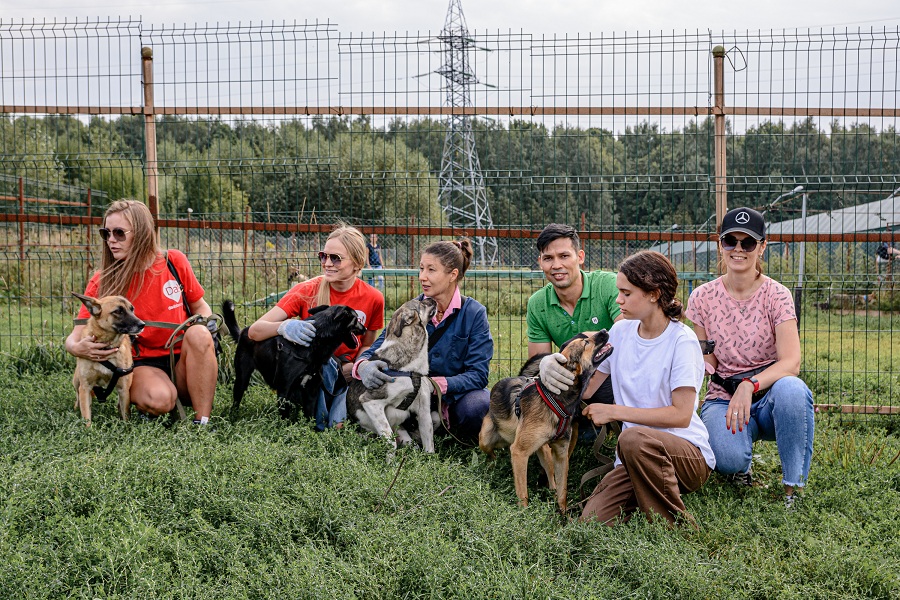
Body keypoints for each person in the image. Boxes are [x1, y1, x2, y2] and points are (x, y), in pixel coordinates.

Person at [686, 206, 814, 509]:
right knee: (728, 460)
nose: (739, 249)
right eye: (731, 241)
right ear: (720, 244)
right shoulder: (701, 297)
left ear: (762, 247)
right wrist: (697, 364)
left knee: (794, 390)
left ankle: (792, 488)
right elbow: (710, 358)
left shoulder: (777, 295)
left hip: (770, 395)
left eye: (748, 243)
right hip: (723, 397)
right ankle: (740, 466)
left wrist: (750, 385)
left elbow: (791, 363)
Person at [576, 250, 714, 527]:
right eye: (618, 292)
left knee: (632, 438)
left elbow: (681, 416)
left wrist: (614, 410)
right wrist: (561, 368)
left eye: (626, 293)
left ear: (653, 294)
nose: (618, 300)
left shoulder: (682, 341)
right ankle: (643, 496)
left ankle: (674, 526)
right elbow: (589, 389)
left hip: (687, 455)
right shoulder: (620, 332)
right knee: (590, 523)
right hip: (632, 457)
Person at [65, 199, 217, 423]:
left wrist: (204, 321)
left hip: (183, 359)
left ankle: (202, 422)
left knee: (200, 333)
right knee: (160, 399)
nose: (111, 240)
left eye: (119, 233)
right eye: (106, 233)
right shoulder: (102, 282)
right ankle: (151, 398)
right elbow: (73, 338)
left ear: (143, 233)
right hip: (141, 362)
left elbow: (201, 307)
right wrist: (79, 349)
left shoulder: (173, 262)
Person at [248, 224, 384, 430]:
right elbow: (255, 331)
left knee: (339, 425)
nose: (327, 263)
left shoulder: (373, 298)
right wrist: (284, 326)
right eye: (324, 256)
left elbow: (367, 344)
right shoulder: (306, 290)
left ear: (356, 263)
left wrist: (358, 365)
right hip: (311, 372)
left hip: (348, 374)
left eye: (336, 258)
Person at [353, 239, 493, 439]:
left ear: (453, 275)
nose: (422, 277)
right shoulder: (410, 310)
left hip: (454, 398)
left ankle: (450, 429)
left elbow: (478, 374)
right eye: (421, 269)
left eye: (431, 270)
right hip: (410, 398)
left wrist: (436, 385)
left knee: (478, 407)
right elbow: (379, 345)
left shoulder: (474, 313)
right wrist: (363, 365)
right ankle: (413, 430)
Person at [527, 224, 622, 421]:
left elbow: (630, 335)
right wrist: (546, 365)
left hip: (616, 373)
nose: (556, 265)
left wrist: (585, 337)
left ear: (580, 257)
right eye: (548, 258)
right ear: (540, 262)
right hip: (576, 378)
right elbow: (538, 362)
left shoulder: (607, 285)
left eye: (564, 256)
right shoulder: (537, 303)